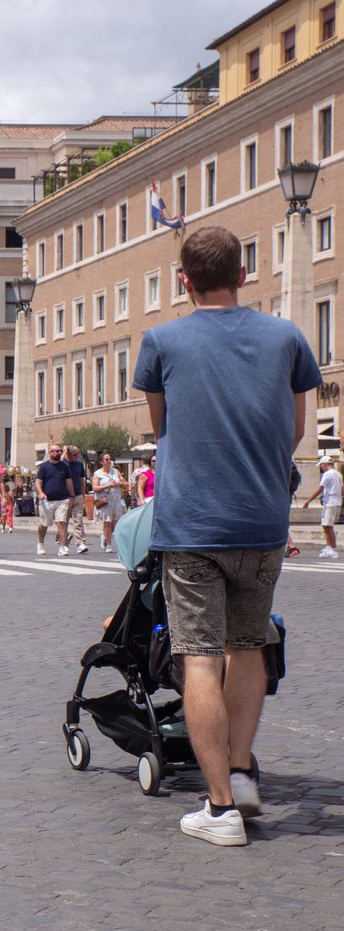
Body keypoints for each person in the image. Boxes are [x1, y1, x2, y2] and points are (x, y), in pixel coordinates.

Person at [133, 225, 322, 847]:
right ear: (243, 274)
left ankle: (219, 810)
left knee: (200, 657)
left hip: (193, 523)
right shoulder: (286, 337)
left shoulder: (162, 340)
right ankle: (240, 774)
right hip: (262, 520)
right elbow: (295, 430)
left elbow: (163, 428)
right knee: (248, 645)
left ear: (183, 281)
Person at [35, 444, 73, 557]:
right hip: (47, 501)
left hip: (62, 499)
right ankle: (40, 544)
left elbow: (68, 481)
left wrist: (72, 495)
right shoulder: (44, 467)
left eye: (59, 451)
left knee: (61, 522)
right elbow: (38, 482)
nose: (58, 453)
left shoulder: (64, 466)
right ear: (50, 453)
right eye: (56, 451)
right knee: (44, 524)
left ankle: (62, 547)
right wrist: (41, 493)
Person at [300, 457, 341, 558]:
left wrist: (308, 501)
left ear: (325, 464)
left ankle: (331, 549)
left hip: (330, 502)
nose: (321, 468)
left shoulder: (327, 474)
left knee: (327, 526)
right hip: (336, 501)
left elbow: (320, 489)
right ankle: (330, 547)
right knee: (327, 525)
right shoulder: (338, 474)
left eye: (321, 465)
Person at [92, 452, 127, 553]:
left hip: (116, 499)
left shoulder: (115, 471)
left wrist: (120, 483)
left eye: (110, 459)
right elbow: (95, 488)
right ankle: (109, 545)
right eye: (106, 459)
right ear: (101, 462)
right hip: (105, 500)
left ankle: (105, 536)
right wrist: (108, 485)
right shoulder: (97, 474)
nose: (109, 461)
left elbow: (125, 483)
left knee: (115, 522)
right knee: (107, 522)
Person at [64, 445, 91, 554]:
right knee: (63, 521)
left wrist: (83, 494)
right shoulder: (63, 464)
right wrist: (64, 452)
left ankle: (80, 543)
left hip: (78, 495)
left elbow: (82, 480)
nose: (77, 456)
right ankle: (63, 542)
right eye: (75, 454)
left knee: (78, 520)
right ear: (68, 454)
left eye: (78, 454)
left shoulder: (79, 464)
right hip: (65, 496)